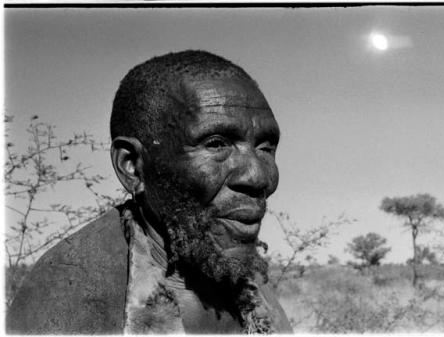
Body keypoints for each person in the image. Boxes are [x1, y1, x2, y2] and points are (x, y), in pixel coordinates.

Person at [7, 50, 293, 334]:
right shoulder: (69, 303)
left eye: (265, 147)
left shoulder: (243, 278)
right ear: (132, 166)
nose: (258, 177)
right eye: (217, 144)